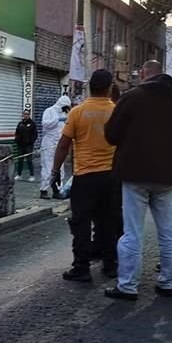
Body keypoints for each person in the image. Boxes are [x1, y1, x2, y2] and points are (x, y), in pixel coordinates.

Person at [104, 60, 172, 300]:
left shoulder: (131, 98)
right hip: (166, 176)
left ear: (144, 74)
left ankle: (128, 285)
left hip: (134, 175)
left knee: (132, 232)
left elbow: (111, 135)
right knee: (168, 232)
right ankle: (167, 281)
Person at [53, 70, 120, 281]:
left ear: (90, 87)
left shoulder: (77, 112)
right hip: (111, 177)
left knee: (81, 223)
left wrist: (55, 171)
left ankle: (81, 267)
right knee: (109, 223)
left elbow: (63, 145)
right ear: (109, 88)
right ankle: (110, 265)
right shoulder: (117, 112)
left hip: (85, 177)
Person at [40, 95, 72, 198]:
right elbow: (45, 124)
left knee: (60, 168)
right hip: (49, 142)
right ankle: (44, 190)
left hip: (59, 143)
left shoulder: (65, 113)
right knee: (48, 167)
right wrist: (57, 119)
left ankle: (57, 190)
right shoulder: (49, 111)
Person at [14, 110, 38, 181]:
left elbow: (35, 134)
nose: (26, 115)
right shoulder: (20, 123)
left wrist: (31, 141)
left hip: (29, 145)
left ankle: (32, 175)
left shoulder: (32, 124)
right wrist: (17, 140)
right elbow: (17, 132)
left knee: (29, 160)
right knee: (20, 160)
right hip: (21, 145)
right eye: (24, 114)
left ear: (29, 115)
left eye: (27, 114)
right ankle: (19, 174)